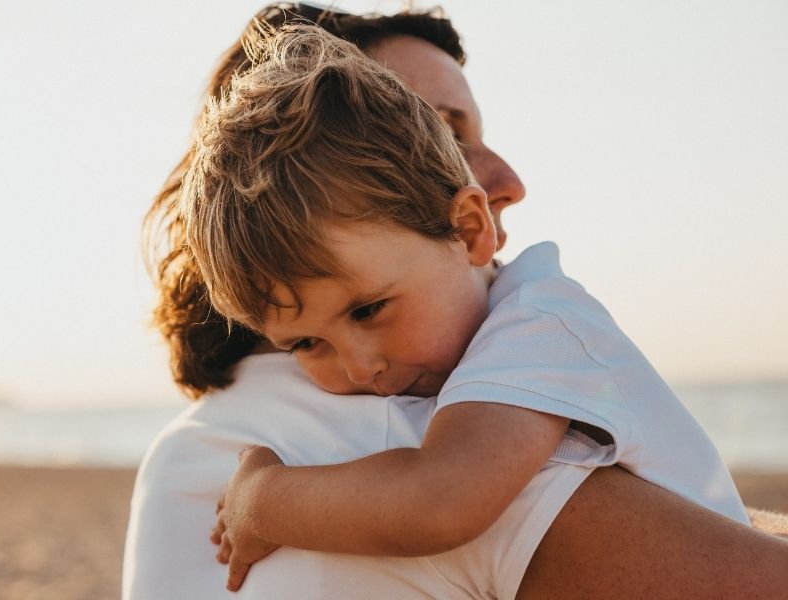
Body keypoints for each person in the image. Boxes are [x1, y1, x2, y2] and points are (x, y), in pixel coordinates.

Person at [124, 5, 788, 600]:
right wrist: (263, 499)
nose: (508, 180)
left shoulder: (205, 441)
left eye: (368, 311)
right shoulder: (391, 427)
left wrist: (264, 498)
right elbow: (440, 497)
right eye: (439, 132)